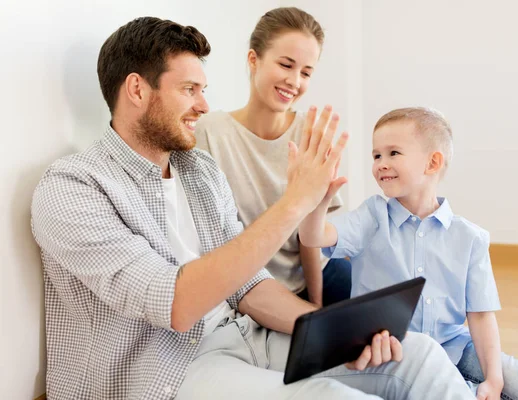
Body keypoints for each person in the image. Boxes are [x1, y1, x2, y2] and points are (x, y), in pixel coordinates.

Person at [30, 18, 477, 400]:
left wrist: (334, 332)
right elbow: (175, 305)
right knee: (332, 396)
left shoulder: (197, 169)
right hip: (168, 368)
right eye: (189, 89)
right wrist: (295, 202)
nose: (203, 105)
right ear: (136, 90)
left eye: (203, 90)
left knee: (418, 353)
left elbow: (247, 283)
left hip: (242, 334)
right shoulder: (74, 187)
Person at [299, 107, 518, 400]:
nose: (381, 163)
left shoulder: (470, 238)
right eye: (376, 155)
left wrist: (494, 379)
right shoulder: (371, 218)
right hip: (400, 357)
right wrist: (318, 201)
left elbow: (480, 316)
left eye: (393, 153)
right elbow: (313, 236)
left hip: (458, 347)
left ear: (432, 163)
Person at [195, 7, 351, 307]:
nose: (294, 81)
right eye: (286, 65)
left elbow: (309, 238)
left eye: (306, 72)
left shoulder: (310, 133)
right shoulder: (208, 134)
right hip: (245, 287)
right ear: (254, 60)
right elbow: (211, 243)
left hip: (312, 277)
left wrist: (315, 306)